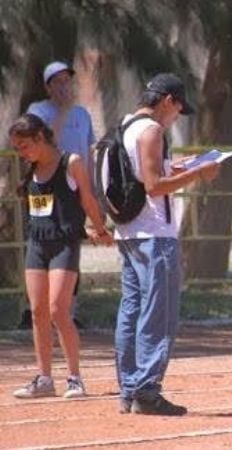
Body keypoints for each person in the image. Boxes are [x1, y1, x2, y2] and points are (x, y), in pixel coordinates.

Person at [114, 73, 219, 416]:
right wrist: (198, 174)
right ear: (168, 101)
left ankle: (130, 389)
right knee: (159, 314)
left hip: (129, 232)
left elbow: (143, 172)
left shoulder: (126, 126)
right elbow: (155, 186)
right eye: (177, 109)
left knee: (131, 310)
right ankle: (147, 390)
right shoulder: (153, 131)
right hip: (155, 233)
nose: (176, 117)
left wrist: (183, 166)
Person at [9, 114, 112, 399]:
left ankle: (75, 378)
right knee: (38, 311)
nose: (21, 152)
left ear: (40, 138)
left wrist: (100, 229)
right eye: (17, 148)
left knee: (57, 310)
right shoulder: (31, 169)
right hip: (37, 244)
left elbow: (87, 200)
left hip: (64, 244)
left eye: (25, 146)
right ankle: (44, 379)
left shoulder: (71, 162)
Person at [21, 61, 97, 330]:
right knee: (41, 240)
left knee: (71, 244)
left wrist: (93, 191)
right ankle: (32, 308)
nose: (64, 86)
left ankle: (68, 310)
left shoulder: (83, 115)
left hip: (74, 188)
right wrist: (62, 110)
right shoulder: (38, 111)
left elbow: (89, 154)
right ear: (48, 86)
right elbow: (45, 140)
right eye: (58, 81)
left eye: (67, 80)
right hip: (45, 187)